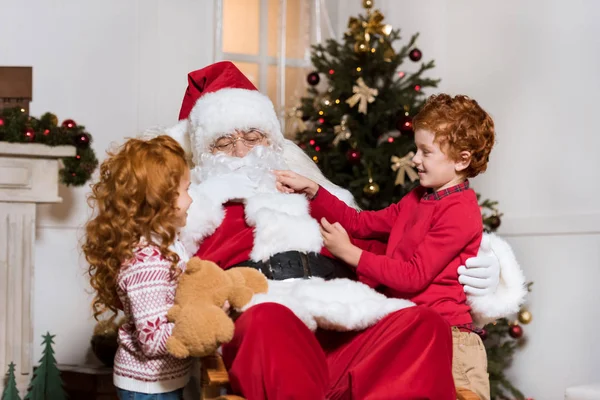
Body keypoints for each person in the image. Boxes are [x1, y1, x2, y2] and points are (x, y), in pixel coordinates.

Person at [157, 61, 526, 399]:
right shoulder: (194, 207)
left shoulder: (311, 190)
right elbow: (156, 272)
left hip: (344, 322)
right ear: (205, 154)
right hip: (272, 321)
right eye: (224, 142)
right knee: (266, 319)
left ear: (272, 141)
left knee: (423, 323)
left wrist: (488, 266)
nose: (241, 152)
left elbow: (390, 243)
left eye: (253, 137)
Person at [276, 93, 495, 399]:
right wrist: (314, 190)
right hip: (409, 332)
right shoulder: (417, 198)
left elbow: (413, 275)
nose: (415, 159)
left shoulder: (460, 211)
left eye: (426, 152)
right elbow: (360, 223)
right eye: (416, 149)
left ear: (462, 159)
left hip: (452, 343)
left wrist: (351, 254)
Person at [83, 136, 193, 400]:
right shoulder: (148, 262)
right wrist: (200, 323)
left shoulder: (168, 245)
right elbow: (153, 339)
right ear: (163, 200)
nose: (191, 199)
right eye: (186, 190)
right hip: (148, 388)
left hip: (163, 381)